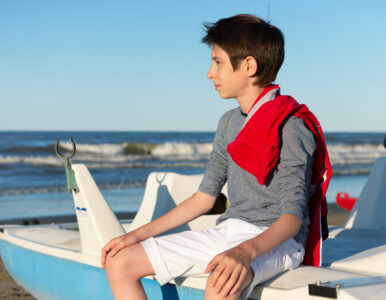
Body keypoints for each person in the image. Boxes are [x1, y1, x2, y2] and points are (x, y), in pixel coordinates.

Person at [101, 14, 331, 300]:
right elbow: (204, 198)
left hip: (278, 241)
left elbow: (292, 218)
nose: (210, 73)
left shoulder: (292, 126)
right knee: (119, 261)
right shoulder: (228, 123)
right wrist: (136, 235)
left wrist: (244, 252)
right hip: (230, 230)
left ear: (249, 65)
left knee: (221, 282)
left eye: (218, 62)